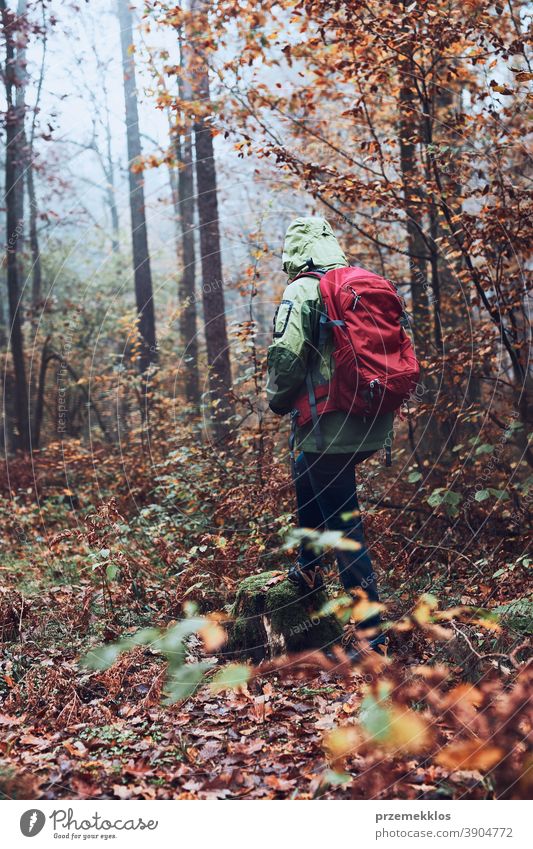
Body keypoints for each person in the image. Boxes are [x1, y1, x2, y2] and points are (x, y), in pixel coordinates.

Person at [266, 216, 394, 654]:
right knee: (305, 467)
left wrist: (278, 400)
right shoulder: (359, 282)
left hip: (331, 424)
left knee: (345, 526)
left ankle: (371, 634)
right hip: (371, 420)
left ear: (294, 252)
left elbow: (286, 355)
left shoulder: (302, 290)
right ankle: (307, 566)